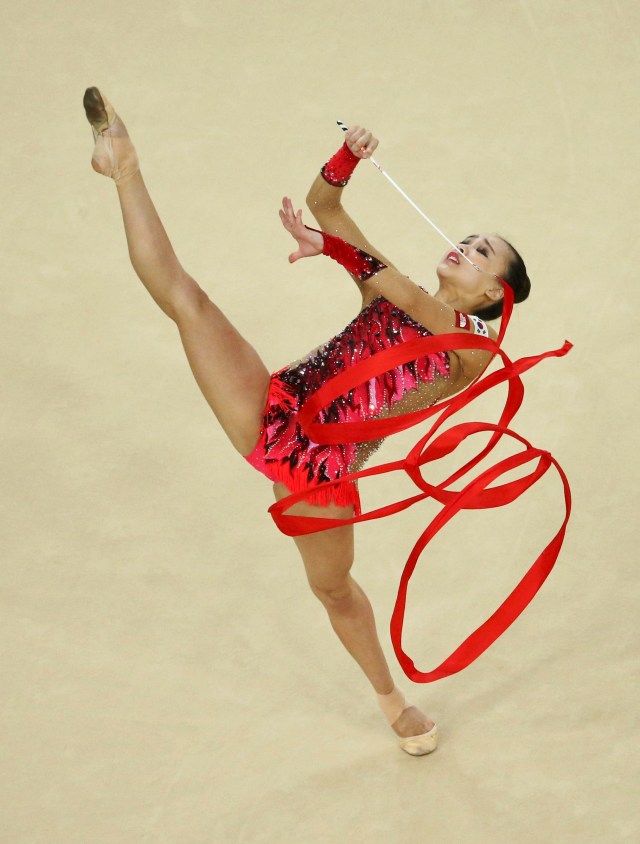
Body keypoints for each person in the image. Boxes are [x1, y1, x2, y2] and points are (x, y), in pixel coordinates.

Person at [82, 87, 530, 756]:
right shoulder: (394, 284)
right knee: (187, 300)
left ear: (495, 293)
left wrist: (339, 251)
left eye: (481, 252)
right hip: (276, 403)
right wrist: (345, 158)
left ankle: (391, 699)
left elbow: (405, 293)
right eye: (466, 239)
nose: (465, 247)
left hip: (319, 469)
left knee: (333, 590)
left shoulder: (474, 346)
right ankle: (123, 166)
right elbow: (325, 206)